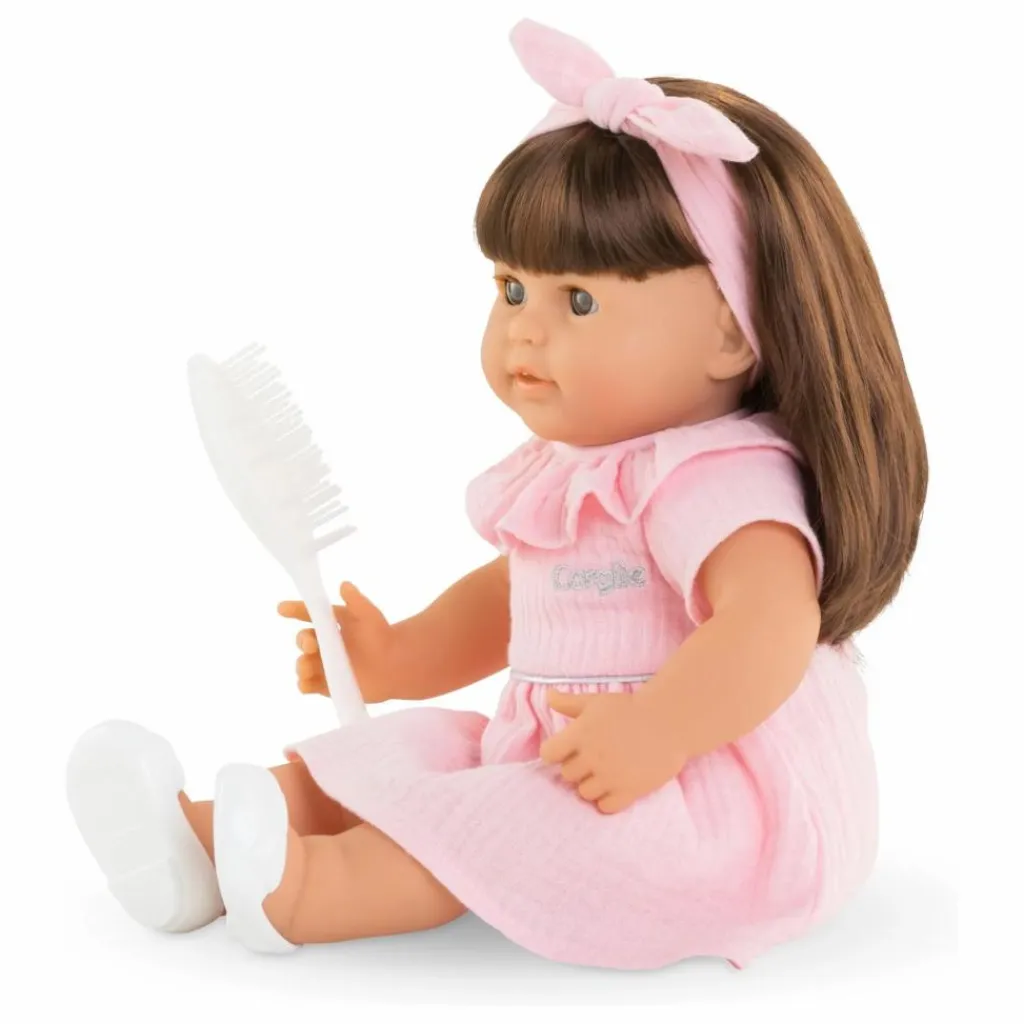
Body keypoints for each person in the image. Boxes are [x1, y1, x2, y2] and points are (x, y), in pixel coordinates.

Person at [66, 18, 927, 970]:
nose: (525, 331)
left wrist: (661, 729)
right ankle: (194, 845)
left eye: (579, 301)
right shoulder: (577, 471)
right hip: (568, 751)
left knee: (486, 826)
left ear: (732, 331)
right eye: (512, 289)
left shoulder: (720, 478)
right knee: (420, 753)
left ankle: (304, 890)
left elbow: (770, 626)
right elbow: (517, 594)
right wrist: (400, 654)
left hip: (698, 799)